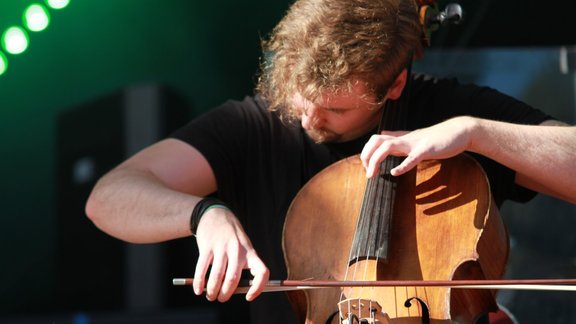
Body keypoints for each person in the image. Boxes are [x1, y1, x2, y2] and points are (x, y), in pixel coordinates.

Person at [85, 0, 576, 323]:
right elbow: (109, 197)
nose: (308, 117)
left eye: (336, 109)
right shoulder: (256, 125)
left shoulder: (450, 115)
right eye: (302, 97)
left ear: (395, 86)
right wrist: (201, 214)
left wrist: (477, 133)